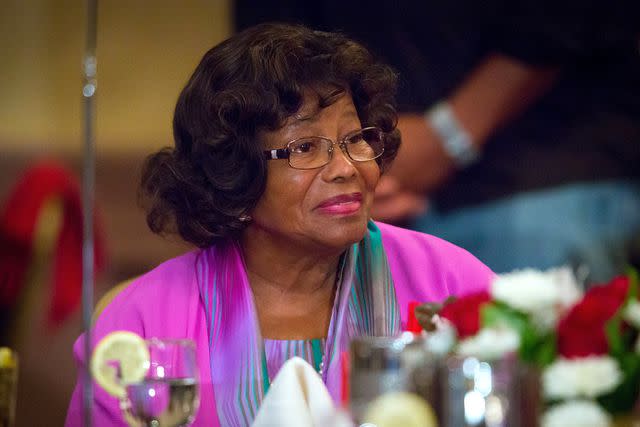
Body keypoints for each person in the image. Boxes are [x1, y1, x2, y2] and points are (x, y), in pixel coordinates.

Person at [64, 23, 492, 426]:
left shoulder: (452, 282)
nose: (345, 168)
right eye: (305, 147)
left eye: (355, 139)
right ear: (234, 175)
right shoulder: (142, 323)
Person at [235, 0, 640, 283]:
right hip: (359, 207)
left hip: (536, 174)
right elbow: (265, 48)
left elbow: (567, 15)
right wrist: (342, 164)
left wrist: (448, 135)